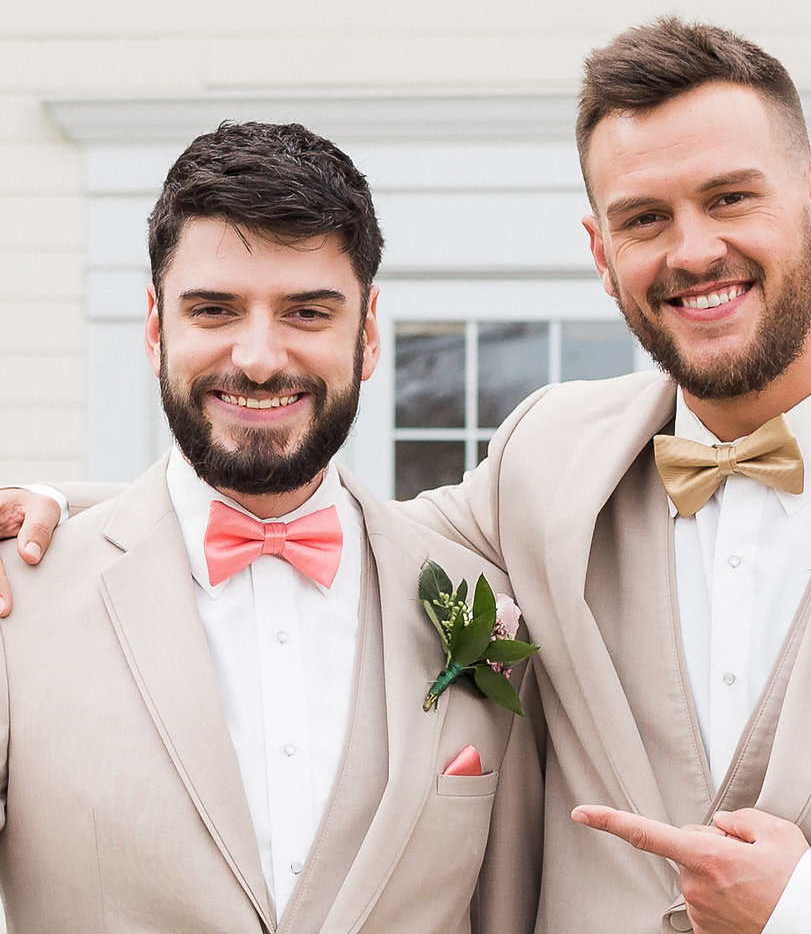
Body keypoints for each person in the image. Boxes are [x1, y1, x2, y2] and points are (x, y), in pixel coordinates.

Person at [4, 17, 811, 933]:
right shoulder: (548, 460)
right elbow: (307, 516)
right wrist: (59, 516)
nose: (694, 250)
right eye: (643, 217)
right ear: (601, 254)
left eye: (730, 197)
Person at [0, 121, 541, 933]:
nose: (258, 358)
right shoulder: (20, 600)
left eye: (306, 312)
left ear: (367, 333)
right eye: (214, 309)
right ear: (154, 326)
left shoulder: (485, 607)